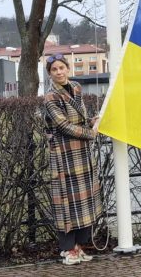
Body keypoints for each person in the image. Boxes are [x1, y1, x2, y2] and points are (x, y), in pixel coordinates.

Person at [43, 53, 102, 265]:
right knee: (66, 200)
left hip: (82, 152)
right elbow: (63, 125)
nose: (59, 72)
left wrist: (91, 121)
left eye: (61, 68)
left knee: (84, 199)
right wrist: (89, 133)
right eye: (54, 70)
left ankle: (79, 246)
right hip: (63, 153)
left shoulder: (76, 87)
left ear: (68, 68)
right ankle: (68, 248)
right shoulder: (51, 97)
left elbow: (79, 118)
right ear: (50, 74)